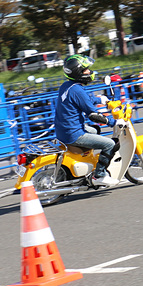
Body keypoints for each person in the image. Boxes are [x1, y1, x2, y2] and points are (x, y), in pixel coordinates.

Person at [55, 54, 119, 187]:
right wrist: (114, 122)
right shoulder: (77, 90)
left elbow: (84, 100)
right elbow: (93, 115)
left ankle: (88, 162)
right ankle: (99, 175)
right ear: (78, 72)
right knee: (110, 144)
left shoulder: (67, 86)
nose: (89, 72)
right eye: (86, 70)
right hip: (74, 134)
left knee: (95, 130)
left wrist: (100, 99)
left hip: (63, 131)